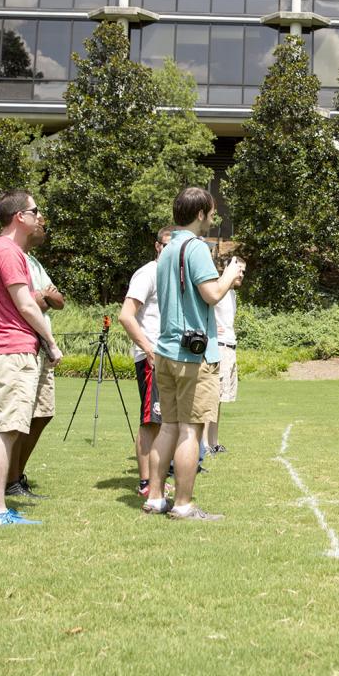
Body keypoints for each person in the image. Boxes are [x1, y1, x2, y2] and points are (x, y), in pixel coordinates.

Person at [142, 187, 244, 521]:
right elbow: (211, 294)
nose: (213, 220)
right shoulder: (196, 248)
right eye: (212, 214)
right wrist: (229, 276)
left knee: (168, 427)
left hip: (166, 351)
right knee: (190, 430)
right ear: (200, 214)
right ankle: (184, 505)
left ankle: (155, 498)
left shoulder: (169, 248)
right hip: (193, 356)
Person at [0, 190, 63, 526]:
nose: (40, 217)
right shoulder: (9, 252)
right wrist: (50, 341)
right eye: (35, 211)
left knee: (0, 428)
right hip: (13, 350)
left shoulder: (1, 250)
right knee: (7, 430)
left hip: (5, 349)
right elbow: (26, 304)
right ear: (19, 217)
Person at [8, 218, 65, 500]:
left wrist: (42, 296)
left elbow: (60, 300)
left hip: (42, 347)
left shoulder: (35, 263)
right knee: (18, 417)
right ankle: (9, 479)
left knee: (42, 414)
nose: (43, 223)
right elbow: (22, 304)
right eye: (38, 218)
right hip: (23, 345)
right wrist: (43, 295)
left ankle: (16, 475)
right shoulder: (9, 255)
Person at [119, 225, 176, 498]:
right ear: (157, 246)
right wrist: (150, 351)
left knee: (165, 422)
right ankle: (146, 483)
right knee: (151, 421)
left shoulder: (174, 276)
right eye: (165, 245)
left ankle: (157, 479)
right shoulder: (148, 273)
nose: (168, 251)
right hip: (151, 358)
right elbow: (126, 316)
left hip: (171, 359)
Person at [205, 262, 238, 457]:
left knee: (220, 400)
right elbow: (203, 306)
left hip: (230, 347)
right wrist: (208, 326)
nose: (240, 274)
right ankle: (203, 445)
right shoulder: (217, 288)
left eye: (243, 271)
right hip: (219, 348)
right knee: (211, 398)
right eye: (238, 269)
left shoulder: (232, 293)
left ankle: (214, 442)